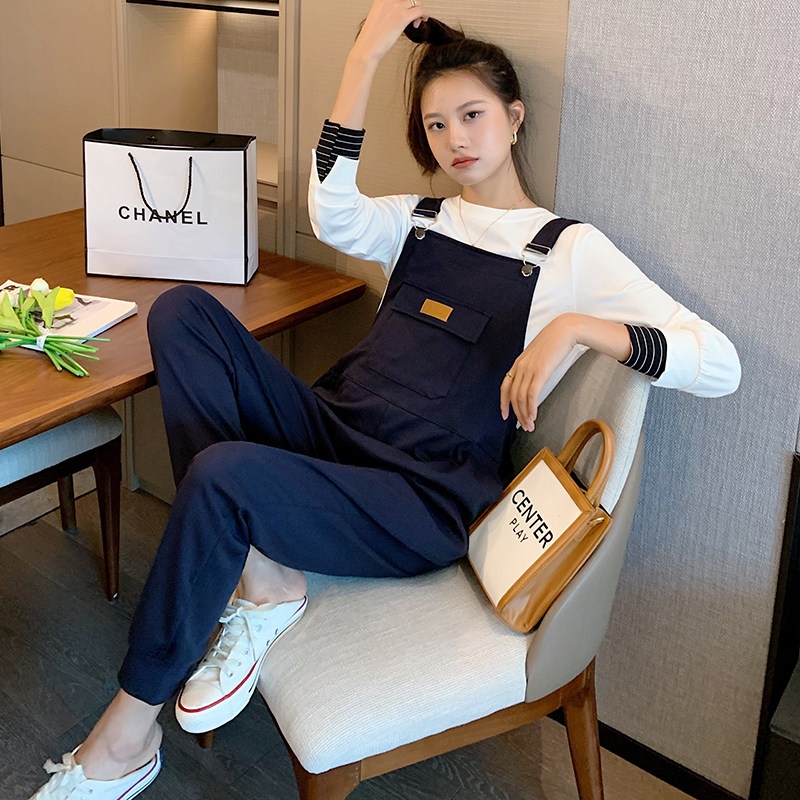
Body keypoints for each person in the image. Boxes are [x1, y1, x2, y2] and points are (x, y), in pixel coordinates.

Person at [27, 1, 740, 798]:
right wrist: (363, 59)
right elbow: (330, 210)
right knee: (182, 313)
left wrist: (576, 327)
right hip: (337, 431)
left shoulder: (568, 249)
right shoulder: (420, 220)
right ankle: (263, 573)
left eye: (471, 115)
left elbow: (720, 363)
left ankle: (127, 733)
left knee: (224, 476)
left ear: (514, 118)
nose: (454, 139)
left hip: (420, 493)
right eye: (435, 125)